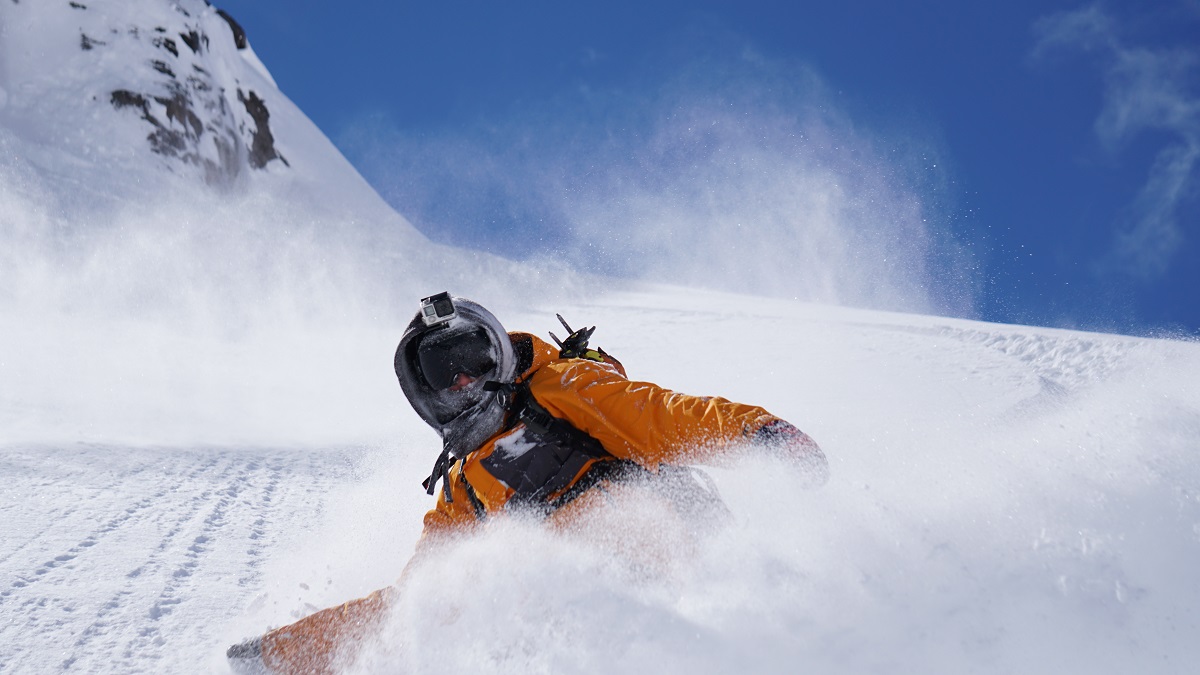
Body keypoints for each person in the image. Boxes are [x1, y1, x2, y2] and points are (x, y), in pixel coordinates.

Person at [228, 293, 827, 674]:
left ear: (497, 352)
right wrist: (285, 654)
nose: (463, 379)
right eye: (443, 372)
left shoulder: (560, 391)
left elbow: (664, 416)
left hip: (683, 556)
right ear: (426, 395)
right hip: (607, 617)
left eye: (471, 358)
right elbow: (416, 605)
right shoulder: (463, 486)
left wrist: (762, 434)